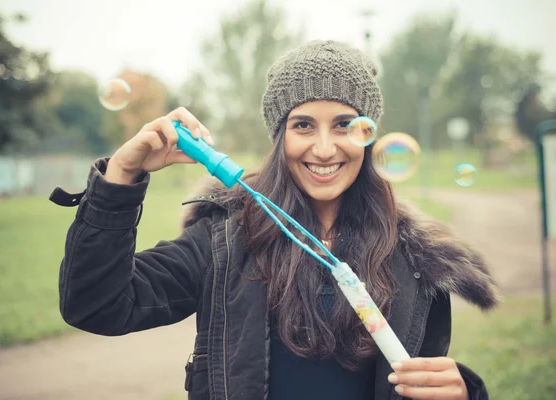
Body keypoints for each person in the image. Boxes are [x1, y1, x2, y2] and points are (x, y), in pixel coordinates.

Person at [51, 40, 501, 400]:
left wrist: (466, 393)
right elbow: (96, 305)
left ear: (368, 135)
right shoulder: (223, 239)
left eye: (344, 124)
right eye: (303, 125)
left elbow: (419, 379)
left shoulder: (419, 261)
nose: (324, 148)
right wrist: (120, 179)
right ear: (278, 135)